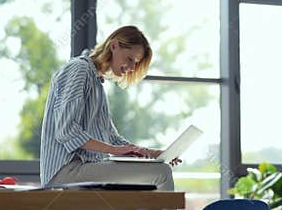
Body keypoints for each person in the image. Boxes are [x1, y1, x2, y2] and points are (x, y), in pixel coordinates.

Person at [40, 25, 181, 191]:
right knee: (161, 173)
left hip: (84, 168)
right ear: (114, 46)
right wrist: (115, 150)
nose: (131, 68)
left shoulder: (96, 82)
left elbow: (112, 138)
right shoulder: (79, 69)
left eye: (135, 63)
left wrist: (153, 154)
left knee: (155, 172)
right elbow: (67, 131)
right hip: (65, 172)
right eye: (130, 59)